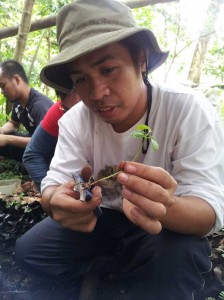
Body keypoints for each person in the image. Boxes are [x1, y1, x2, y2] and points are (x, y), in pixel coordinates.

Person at [15, 0, 224, 299]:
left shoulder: (186, 110)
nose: (97, 93)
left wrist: (169, 204)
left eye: (109, 69)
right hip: (103, 216)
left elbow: (209, 208)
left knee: (173, 261)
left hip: (164, 225)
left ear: (140, 59)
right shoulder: (76, 119)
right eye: (81, 79)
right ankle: (113, 269)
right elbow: (53, 185)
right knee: (29, 252)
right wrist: (57, 201)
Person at [23, 89, 81, 191]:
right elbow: (33, 154)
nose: (75, 116)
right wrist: (50, 192)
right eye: (68, 110)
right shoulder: (60, 111)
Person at [0, 59, 53, 161]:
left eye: (3, 86)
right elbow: (13, 123)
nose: (2, 92)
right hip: (33, 142)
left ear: (17, 80)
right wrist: (2, 131)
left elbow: (45, 142)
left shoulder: (39, 105)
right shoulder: (18, 102)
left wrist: (7, 140)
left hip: (49, 151)